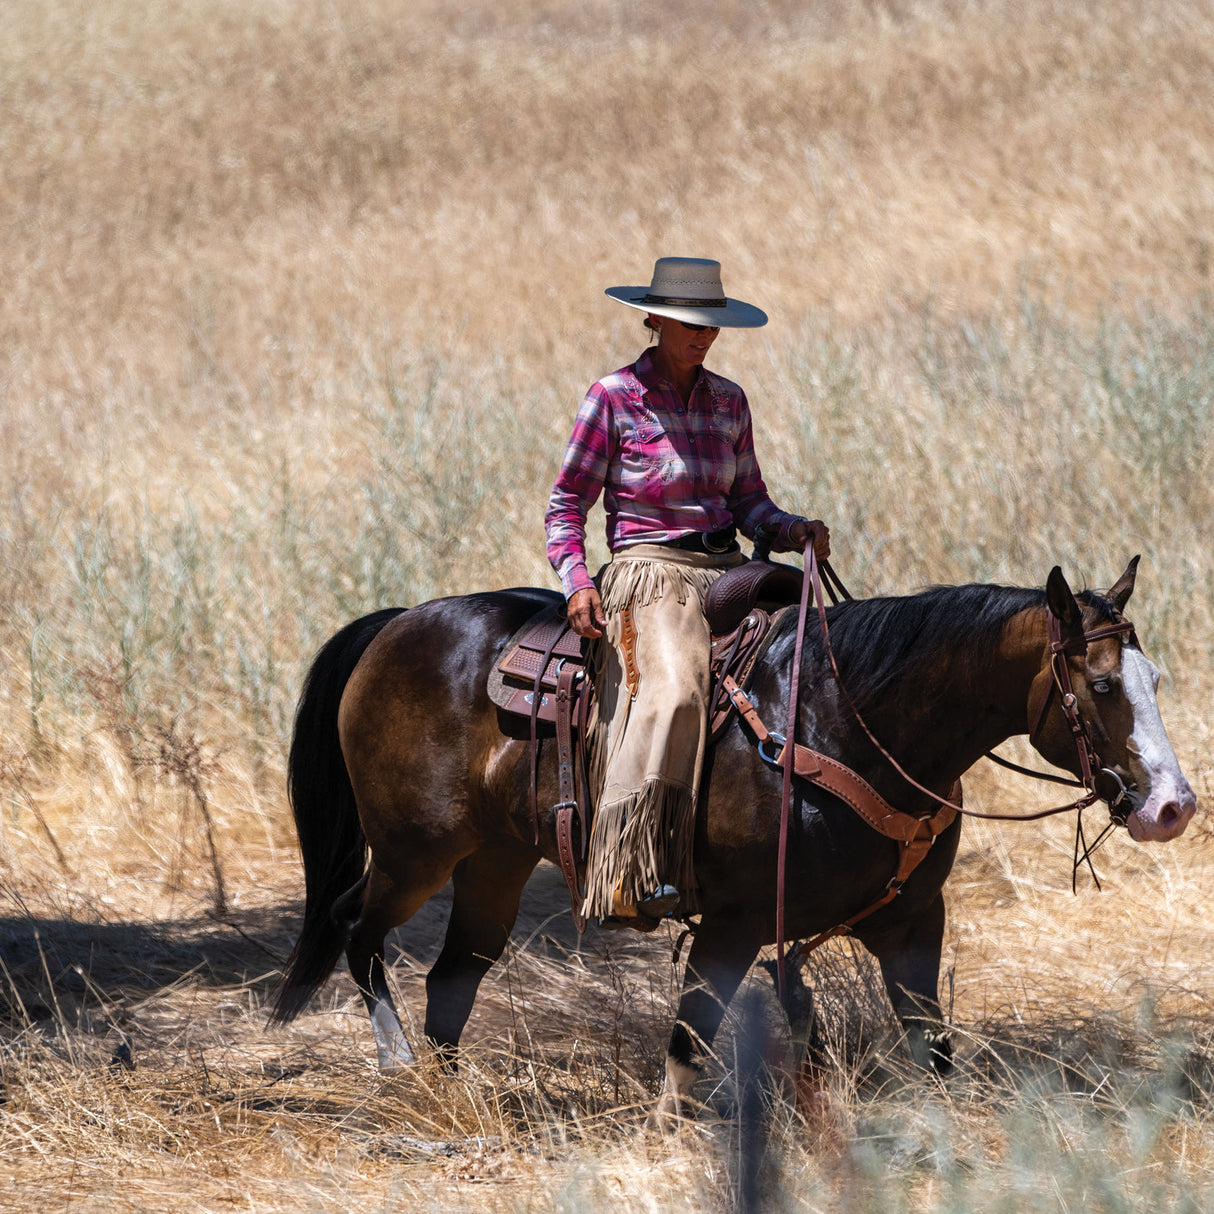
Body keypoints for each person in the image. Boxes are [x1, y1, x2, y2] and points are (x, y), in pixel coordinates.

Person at [544, 256, 830, 927]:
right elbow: (566, 504)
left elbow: (749, 501)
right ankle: (632, 867)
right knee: (674, 693)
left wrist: (792, 529)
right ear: (655, 319)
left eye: (712, 325)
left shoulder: (730, 401)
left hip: (728, 569)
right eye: (692, 324)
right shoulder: (612, 397)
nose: (705, 336)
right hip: (650, 571)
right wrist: (577, 580)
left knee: (817, 662)